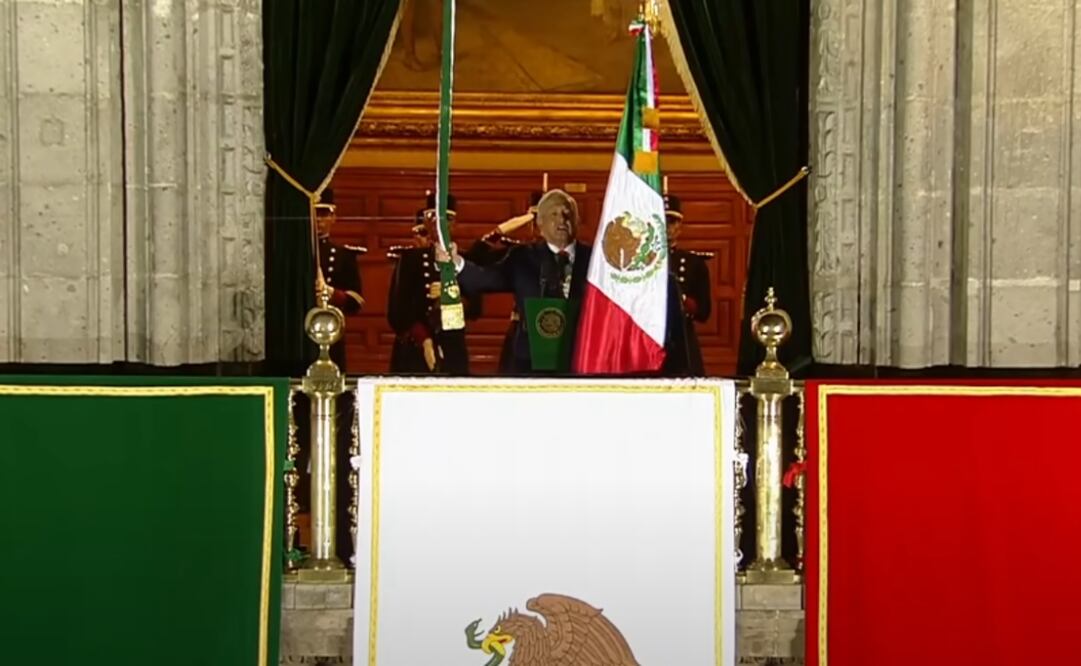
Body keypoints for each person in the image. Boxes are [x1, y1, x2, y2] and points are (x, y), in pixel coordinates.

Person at [439, 189, 592, 374]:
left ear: (576, 221)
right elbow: (487, 278)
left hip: (579, 358)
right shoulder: (523, 258)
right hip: (529, 361)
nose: (561, 220)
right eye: (554, 214)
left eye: (567, 214)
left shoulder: (594, 260)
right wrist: (456, 263)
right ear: (540, 223)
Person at [386, 192, 476, 374]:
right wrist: (424, 339)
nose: (440, 223)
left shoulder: (464, 259)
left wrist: (450, 295)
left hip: (452, 346)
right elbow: (397, 311)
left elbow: (476, 308)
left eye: (447, 218)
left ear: (455, 224)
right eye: (433, 218)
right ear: (426, 222)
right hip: (415, 347)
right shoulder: (410, 259)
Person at [315, 189, 365, 370]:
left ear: (333, 217)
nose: (319, 220)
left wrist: (332, 293)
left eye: (324, 214)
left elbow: (357, 301)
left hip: (331, 332)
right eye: (315, 215)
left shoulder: (344, 256)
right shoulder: (295, 255)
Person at [663, 193, 711, 376]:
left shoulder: (693, 263)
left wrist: (684, 301)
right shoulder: (642, 263)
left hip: (682, 338)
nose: (667, 227)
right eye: (663, 220)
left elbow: (704, 310)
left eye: (672, 222)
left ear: (680, 227)